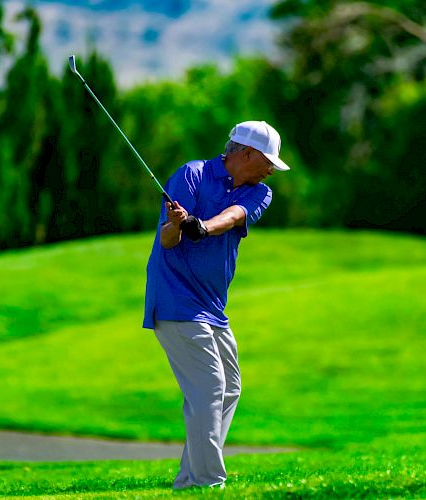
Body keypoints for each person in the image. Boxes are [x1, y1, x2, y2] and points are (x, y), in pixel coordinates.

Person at [143, 120, 290, 489]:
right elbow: (166, 240)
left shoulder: (261, 192)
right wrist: (178, 224)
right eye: (268, 161)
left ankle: (190, 477)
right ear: (246, 154)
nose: (271, 168)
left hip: (211, 307)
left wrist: (203, 226)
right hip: (176, 299)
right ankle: (208, 482)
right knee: (209, 386)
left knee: (229, 387)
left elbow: (234, 216)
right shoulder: (191, 175)